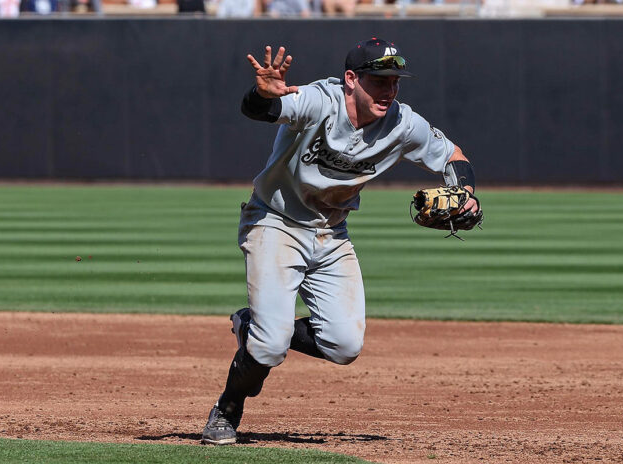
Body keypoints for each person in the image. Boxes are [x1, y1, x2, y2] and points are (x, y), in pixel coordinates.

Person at [201, 38, 481, 445]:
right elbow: (264, 110)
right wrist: (261, 94)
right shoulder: (319, 101)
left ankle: (254, 324)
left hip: (332, 233)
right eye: (378, 80)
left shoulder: (402, 122)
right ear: (351, 79)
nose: (388, 90)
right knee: (270, 345)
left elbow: (452, 154)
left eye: (394, 81)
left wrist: (467, 193)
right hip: (276, 223)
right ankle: (227, 410)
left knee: (344, 344)